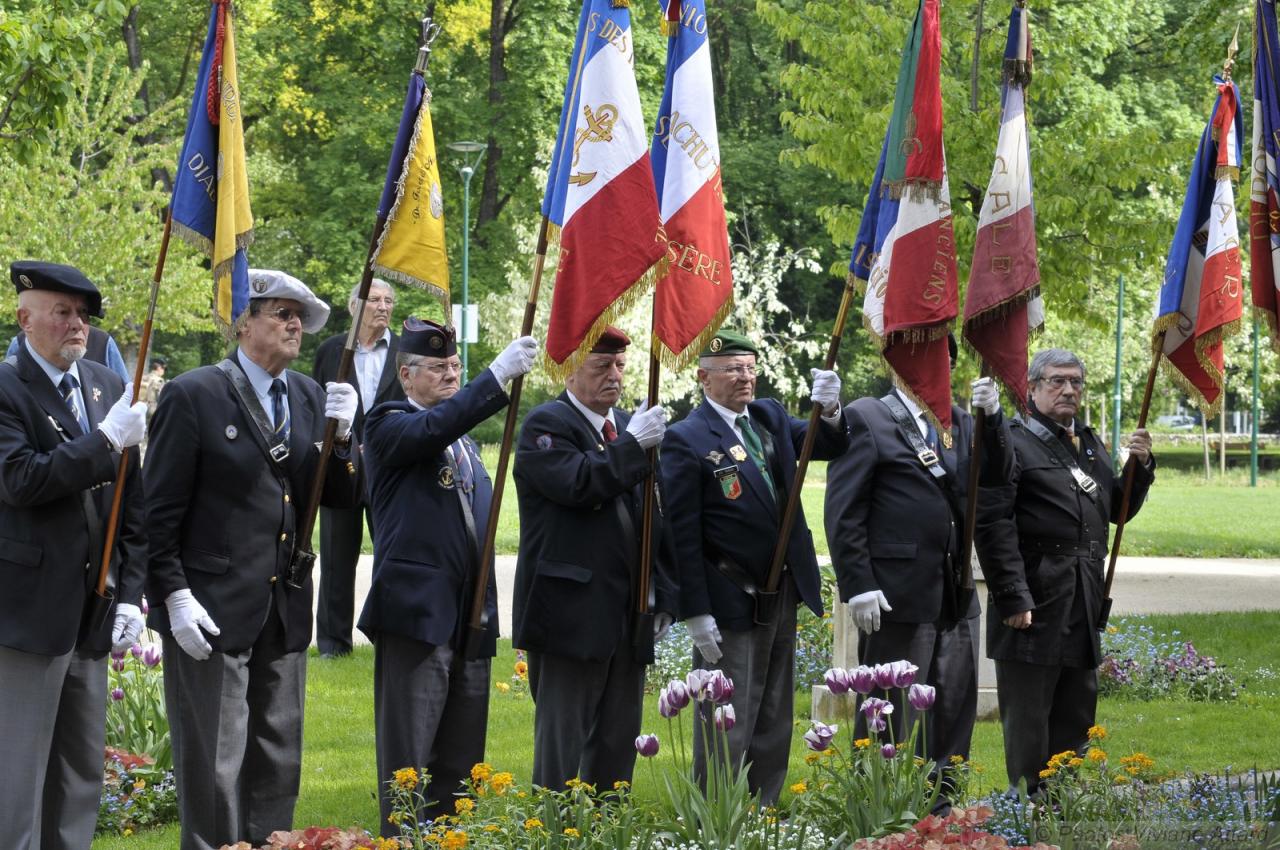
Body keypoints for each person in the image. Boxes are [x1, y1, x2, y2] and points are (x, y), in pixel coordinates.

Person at [144, 269, 361, 850]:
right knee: (215, 762)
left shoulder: (310, 396)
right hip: (212, 605)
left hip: (284, 604)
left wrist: (343, 441)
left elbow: (339, 498)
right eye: (280, 313)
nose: (295, 325)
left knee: (277, 755)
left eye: (299, 316)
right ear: (243, 321)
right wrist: (172, 593)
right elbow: (156, 512)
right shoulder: (195, 394)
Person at [359, 318, 538, 831]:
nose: (450, 375)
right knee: (408, 761)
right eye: (438, 368)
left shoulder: (465, 447)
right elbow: (432, 428)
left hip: (470, 617)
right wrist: (494, 377)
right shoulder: (389, 423)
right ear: (406, 374)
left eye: (456, 366)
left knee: (462, 764)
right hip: (417, 616)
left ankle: (452, 839)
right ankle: (403, 840)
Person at [660, 329, 848, 805]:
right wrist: (695, 611)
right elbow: (681, 533)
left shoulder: (767, 418)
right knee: (728, 715)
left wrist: (830, 407)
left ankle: (762, 808)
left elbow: (825, 443)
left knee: (773, 713)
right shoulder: (686, 438)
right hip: (729, 594)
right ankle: (718, 814)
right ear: (704, 377)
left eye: (750, 368)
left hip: (780, 590)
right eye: (733, 370)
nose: (745, 378)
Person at [0, 260, 148, 850]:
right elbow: (21, 480)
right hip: (29, 614)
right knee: (19, 776)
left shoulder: (106, 386)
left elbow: (131, 501)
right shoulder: (6, 388)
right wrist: (105, 440)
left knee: (81, 772)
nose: (76, 325)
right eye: (62, 312)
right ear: (24, 317)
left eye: (83, 315)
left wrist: (132, 593)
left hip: (94, 609)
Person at [824, 338, 1010, 782]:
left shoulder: (962, 422)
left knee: (952, 706)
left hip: (955, 592)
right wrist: (858, 585)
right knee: (889, 714)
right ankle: (880, 810)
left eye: (945, 360)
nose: (937, 367)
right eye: (924, 357)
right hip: (896, 595)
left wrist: (996, 419)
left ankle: (943, 811)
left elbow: (999, 476)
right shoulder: (867, 417)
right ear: (897, 366)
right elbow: (843, 510)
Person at [974, 348, 1154, 796]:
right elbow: (994, 525)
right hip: (1035, 597)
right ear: (1032, 388)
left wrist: (1141, 467)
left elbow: (1116, 509)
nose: (1069, 390)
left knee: (1076, 709)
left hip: (1082, 595)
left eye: (1075, 381)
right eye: (1057, 381)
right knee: (1030, 717)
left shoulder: (1089, 444)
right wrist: (1013, 596)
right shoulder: (1011, 442)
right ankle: (1027, 810)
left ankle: (1066, 804)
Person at [512, 326, 676, 791]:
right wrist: (631, 445)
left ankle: (610, 832)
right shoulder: (547, 424)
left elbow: (657, 513)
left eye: (620, 365)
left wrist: (662, 592)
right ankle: (553, 833)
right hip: (570, 613)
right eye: (601, 365)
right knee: (561, 748)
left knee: (617, 742)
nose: (615, 375)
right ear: (569, 370)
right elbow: (580, 484)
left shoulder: (627, 427)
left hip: (627, 611)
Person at [313, 279, 405, 657]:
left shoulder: (404, 351)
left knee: (394, 552)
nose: (383, 307)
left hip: (390, 470)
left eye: (389, 301)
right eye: (375, 300)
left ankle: (392, 636)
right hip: (340, 467)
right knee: (336, 556)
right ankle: (334, 644)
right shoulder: (332, 351)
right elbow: (320, 404)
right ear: (354, 308)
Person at [8, 323, 131, 384]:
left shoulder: (102, 342)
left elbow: (125, 398)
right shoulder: (21, 342)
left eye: (83, 312)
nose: (77, 323)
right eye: (62, 312)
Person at [139, 355, 167, 420]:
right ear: (159, 368)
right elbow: (162, 397)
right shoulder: (159, 380)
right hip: (152, 410)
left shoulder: (143, 378)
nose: (164, 371)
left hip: (139, 408)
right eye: (164, 369)